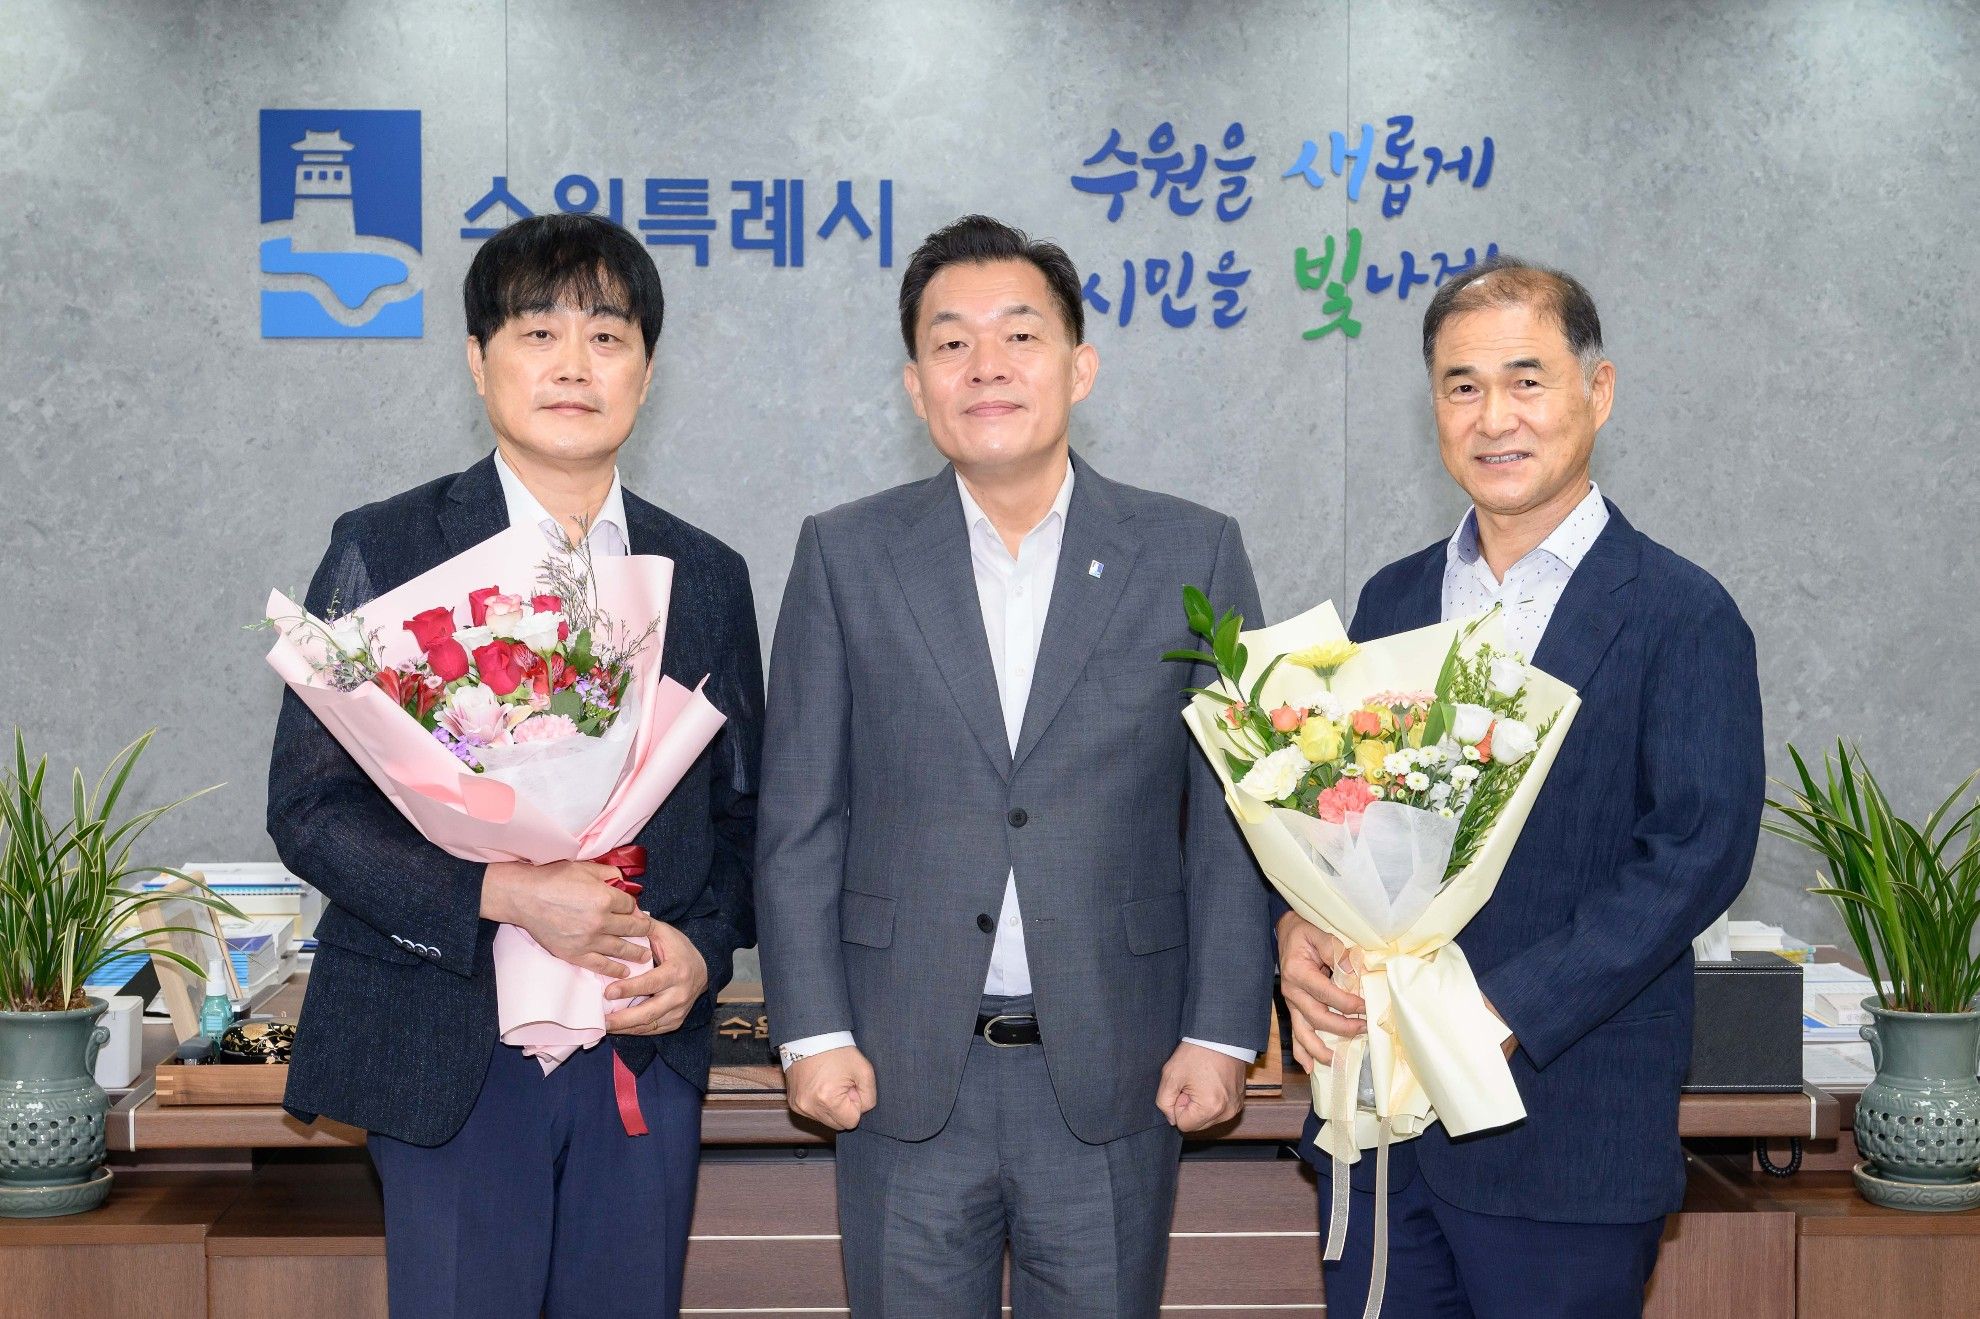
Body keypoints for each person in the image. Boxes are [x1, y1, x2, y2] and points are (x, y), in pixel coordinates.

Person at [755, 214, 1274, 1317]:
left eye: (1020, 336)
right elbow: (801, 815)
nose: (985, 365)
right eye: (951, 343)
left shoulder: (1193, 549)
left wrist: (1223, 1026)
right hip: (897, 1067)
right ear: (915, 386)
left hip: (1118, 1066)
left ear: (1080, 367)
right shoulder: (844, 552)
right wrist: (813, 1029)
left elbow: (1236, 817)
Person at [268, 212, 762, 1318]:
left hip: (638, 1039)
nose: (574, 364)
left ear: (647, 371)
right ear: (477, 360)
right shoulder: (387, 545)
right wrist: (504, 890)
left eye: (608, 336)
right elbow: (309, 807)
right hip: (446, 1038)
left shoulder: (708, 574)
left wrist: (699, 949)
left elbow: (744, 819)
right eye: (538, 332)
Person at [1276, 255, 1765, 1318]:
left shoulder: (1681, 612)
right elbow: (1337, 818)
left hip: (1563, 1134)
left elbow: (1697, 852)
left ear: (1599, 391)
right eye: (1462, 386)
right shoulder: (1394, 596)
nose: (1494, 416)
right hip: (1381, 1128)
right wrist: (1302, 926)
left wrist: (1498, 1010)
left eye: (1526, 380)